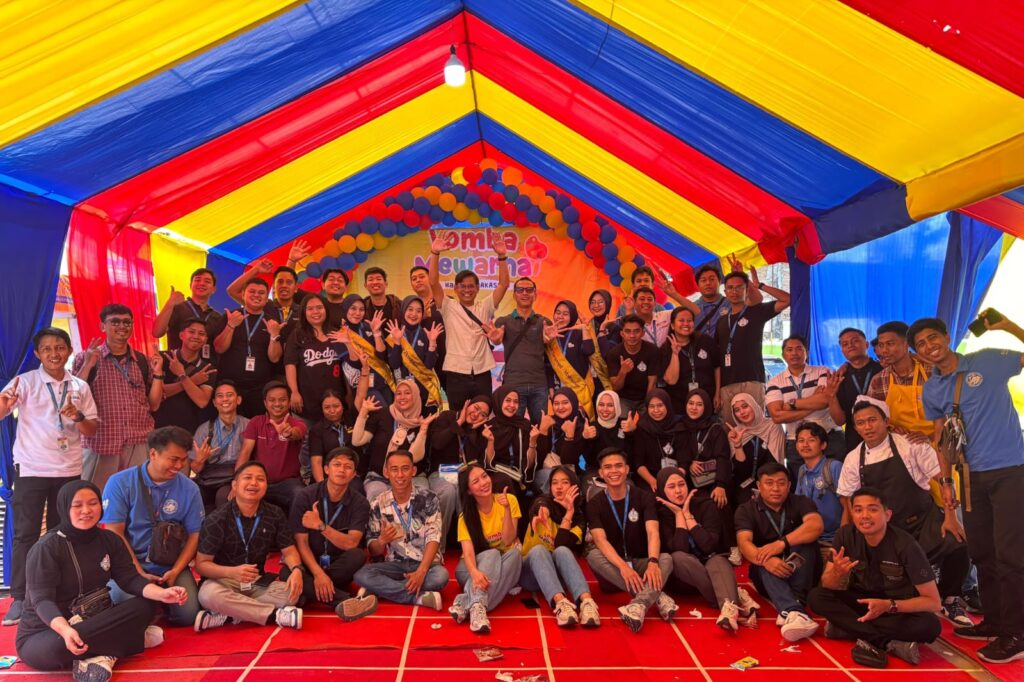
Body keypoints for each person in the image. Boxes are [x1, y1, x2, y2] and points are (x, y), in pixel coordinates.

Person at [914, 314, 1024, 661]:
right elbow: (941, 437)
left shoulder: (988, 360)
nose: (929, 346)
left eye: (933, 338)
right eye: (921, 344)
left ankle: (1016, 634)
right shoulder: (932, 388)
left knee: (1011, 555)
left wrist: (1008, 327)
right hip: (971, 477)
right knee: (983, 553)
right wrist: (946, 482)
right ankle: (994, 621)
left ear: (947, 337)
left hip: (1010, 471)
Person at [15, 481, 186, 680]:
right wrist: (66, 630)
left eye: (93, 503)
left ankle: (106, 649)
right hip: (48, 632)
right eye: (77, 505)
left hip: (93, 619)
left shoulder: (109, 540)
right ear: (64, 508)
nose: (86, 511)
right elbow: (42, 601)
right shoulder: (46, 548)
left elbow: (130, 578)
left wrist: (163, 594)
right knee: (55, 649)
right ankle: (123, 640)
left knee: (147, 604)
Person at [836, 397, 971, 627]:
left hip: (922, 521)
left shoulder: (911, 445)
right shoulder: (853, 458)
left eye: (872, 420)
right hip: (885, 532)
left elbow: (944, 480)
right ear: (855, 428)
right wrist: (845, 537)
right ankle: (902, 603)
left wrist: (951, 518)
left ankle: (950, 598)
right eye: (860, 423)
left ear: (886, 421)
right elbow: (847, 500)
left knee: (958, 541)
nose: (867, 427)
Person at [1, 327, 99, 627]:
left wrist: (77, 417)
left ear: (69, 350)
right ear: (37, 353)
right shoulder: (25, 381)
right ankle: (20, 597)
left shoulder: (80, 386)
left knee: (63, 533)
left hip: (68, 469)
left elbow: (92, 429)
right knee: (25, 533)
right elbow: (2, 411)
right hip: (31, 467)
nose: (54, 353)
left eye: (59, 347)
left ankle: (61, 592)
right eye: (46, 349)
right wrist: (4, 405)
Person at [809, 487, 942, 669]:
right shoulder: (845, 535)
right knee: (816, 597)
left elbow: (933, 603)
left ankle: (847, 628)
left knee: (930, 625)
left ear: (887, 515)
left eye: (872, 509)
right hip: (862, 603)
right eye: (858, 510)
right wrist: (836, 573)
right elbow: (827, 585)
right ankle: (886, 642)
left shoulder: (906, 545)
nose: (865, 516)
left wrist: (889, 605)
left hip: (895, 608)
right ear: (852, 514)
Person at [101, 426, 204, 627]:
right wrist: (137, 571)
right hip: (129, 565)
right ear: (153, 454)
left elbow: (195, 535)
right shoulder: (120, 482)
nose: (179, 465)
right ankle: (151, 601)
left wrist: (176, 570)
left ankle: (160, 599)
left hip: (170, 565)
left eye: (184, 459)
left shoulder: (190, 488)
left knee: (188, 615)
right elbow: (114, 533)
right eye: (173, 459)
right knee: (130, 609)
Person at [193, 461, 304, 632]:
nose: (254, 483)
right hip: (223, 581)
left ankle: (230, 614)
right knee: (207, 595)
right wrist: (232, 572)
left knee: (292, 593)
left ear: (266, 486)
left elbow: (289, 551)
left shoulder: (275, 514)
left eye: (260, 479)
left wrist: (296, 570)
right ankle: (274, 615)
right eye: (248, 478)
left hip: (256, 583)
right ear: (234, 485)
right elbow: (201, 565)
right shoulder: (217, 519)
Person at [654, 467, 758, 633]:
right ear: (661, 490)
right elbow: (680, 548)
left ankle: (729, 612)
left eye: (681, 484)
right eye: (671, 487)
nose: (678, 491)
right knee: (678, 557)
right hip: (684, 579)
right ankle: (733, 596)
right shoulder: (660, 514)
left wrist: (688, 516)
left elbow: (709, 546)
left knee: (717, 560)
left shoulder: (705, 505)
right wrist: (679, 515)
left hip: (712, 568)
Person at [72, 304, 164, 491]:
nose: (122, 326)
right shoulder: (86, 358)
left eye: (127, 322)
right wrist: (88, 365)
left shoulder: (142, 361)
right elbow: (74, 397)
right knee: (97, 498)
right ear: (102, 326)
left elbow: (153, 405)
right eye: (115, 322)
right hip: (102, 442)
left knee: (138, 496)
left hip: (138, 440)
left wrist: (158, 374)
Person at [585, 448, 676, 633]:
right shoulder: (594, 503)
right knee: (593, 555)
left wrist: (653, 562)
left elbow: (653, 532)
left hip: (641, 564)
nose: (614, 471)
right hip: (614, 571)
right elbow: (600, 540)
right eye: (608, 467)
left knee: (665, 558)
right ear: (601, 473)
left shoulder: (644, 497)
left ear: (627, 469)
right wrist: (622, 566)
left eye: (618, 465)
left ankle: (639, 604)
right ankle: (657, 596)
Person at [734, 462, 823, 642]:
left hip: (802, 572)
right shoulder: (746, 510)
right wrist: (766, 560)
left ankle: (790, 610)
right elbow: (744, 543)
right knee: (761, 558)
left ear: (789, 485)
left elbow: (816, 525)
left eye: (781, 483)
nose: (776, 488)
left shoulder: (801, 502)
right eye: (769, 483)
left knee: (806, 542)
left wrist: (781, 544)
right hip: (768, 575)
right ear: (759, 486)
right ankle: (795, 610)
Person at [284, 447, 374, 621]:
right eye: (337, 465)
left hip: (337, 565)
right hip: (310, 563)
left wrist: (321, 526)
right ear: (326, 469)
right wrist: (318, 574)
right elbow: (301, 543)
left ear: (354, 474)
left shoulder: (360, 503)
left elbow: (351, 543)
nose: (341, 470)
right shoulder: (305, 496)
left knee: (357, 556)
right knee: (286, 572)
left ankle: (309, 591)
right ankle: (345, 600)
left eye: (348, 467)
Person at [355, 450, 450, 610]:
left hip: (426, 564)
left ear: (413, 471)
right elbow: (373, 549)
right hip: (396, 564)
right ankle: (418, 597)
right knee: (361, 574)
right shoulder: (377, 504)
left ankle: (382, 589)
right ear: (386, 472)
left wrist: (421, 572)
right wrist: (381, 541)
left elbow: (434, 537)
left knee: (441, 577)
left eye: (405, 469)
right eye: (394, 469)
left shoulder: (429, 498)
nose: (400, 475)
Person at [429, 231, 509, 410]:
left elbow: (504, 284)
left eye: (471, 286)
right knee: (458, 418)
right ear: (456, 289)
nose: (467, 290)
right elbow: (433, 283)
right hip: (455, 373)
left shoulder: (485, 306)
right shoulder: (448, 306)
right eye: (463, 286)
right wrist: (435, 253)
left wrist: (502, 256)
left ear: (478, 288)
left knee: (483, 415)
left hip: (482, 372)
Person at [520, 466, 601, 627]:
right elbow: (540, 504)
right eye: (554, 483)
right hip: (530, 575)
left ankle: (586, 602)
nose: (559, 487)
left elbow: (560, 544)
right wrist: (541, 511)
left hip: (558, 577)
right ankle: (561, 604)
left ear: (574, 486)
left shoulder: (579, 519)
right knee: (539, 550)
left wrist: (569, 512)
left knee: (562, 550)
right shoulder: (543, 502)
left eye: (565, 482)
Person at [449, 463, 524, 634]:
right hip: (469, 569)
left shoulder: (509, 500)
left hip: (498, 566)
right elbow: (468, 553)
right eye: (476, 481)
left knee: (515, 555)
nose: (483, 482)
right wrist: (475, 572)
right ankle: (477, 606)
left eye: (484, 476)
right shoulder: (465, 517)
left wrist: (506, 509)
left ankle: (467, 604)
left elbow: (508, 540)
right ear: (469, 490)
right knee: (492, 553)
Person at [716, 269, 790, 423]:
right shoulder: (722, 321)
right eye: (730, 288)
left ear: (746, 289)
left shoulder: (756, 311)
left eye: (739, 287)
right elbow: (717, 358)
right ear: (725, 292)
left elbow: (787, 299)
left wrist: (760, 285)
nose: (734, 291)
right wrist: (717, 391)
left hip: (752, 380)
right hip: (727, 383)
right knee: (730, 429)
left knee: (756, 426)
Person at [765, 335, 843, 475]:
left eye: (799, 349)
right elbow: (777, 416)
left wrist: (792, 405)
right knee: (800, 483)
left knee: (835, 480)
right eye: (789, 350)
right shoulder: (774, 382)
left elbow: (825, 400)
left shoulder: (822, 371)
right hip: (796, 442)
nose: (794, 353)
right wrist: (813, 402)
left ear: (806, 352)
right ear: (783, 355)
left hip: (829, 436)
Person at [724, 392, 785, 566]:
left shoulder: (772, 427)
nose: (741, 412)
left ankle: (772, 546)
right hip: (745, 482)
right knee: (731, 497)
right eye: (737, 410)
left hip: (770, 480)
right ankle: (737, 545)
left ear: (754, 406)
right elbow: (740, 472)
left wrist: (761, 487)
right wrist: (737, 445)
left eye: (745, 406)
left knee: (765, 495)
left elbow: (775, 464)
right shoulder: (735, 432)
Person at [354, 379, 438, 502]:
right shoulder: (382, 414)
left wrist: (423, 430)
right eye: (398, 393)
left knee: (421, 498)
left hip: (413, 478)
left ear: (415, 395)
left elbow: (414, 457)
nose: (402, 397)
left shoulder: (423, 419)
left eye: (407, 393)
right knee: (377, 495)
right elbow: (357, 441)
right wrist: (363, 412)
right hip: (380, 478)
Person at [488, 277, 558, 423]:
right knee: (512, 427)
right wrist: (495, 340)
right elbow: (497, 339)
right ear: (514, 295)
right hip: (513, 384)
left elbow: (548, 344)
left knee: (540, 428)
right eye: (520, 290)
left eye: (529, 290)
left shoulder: (544, 322)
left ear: (535, 294)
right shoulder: (503, 321)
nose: (525, 293)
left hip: (539, 385)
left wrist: (549, 340)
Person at [212, 278, 284, 417]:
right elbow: (219, 348)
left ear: (266, 298)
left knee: (255, 426)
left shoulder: (272, 322)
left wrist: (274, 336)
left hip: (259, 388)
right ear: (243, 294)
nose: (256, 295)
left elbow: (275, 358)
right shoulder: (231, 316)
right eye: (252, 291)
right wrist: (230, 326)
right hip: (230, 386)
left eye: (261, 293)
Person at [236, 381, 308, 512]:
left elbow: (297, 433)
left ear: (289, 402)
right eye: (272, 400)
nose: (277, 404)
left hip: (288, 482)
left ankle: (294, 526)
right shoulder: (255, 422)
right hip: (259, 481)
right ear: (265, 403)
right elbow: (245, 453)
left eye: (282, 400)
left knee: (300, 493)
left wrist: (289, 433)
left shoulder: (298, 423)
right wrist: (237, 481)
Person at [867, 321, 933, 443]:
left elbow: (951, 411)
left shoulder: (932, 372)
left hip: (938, 444)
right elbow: (872, 416)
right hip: (900, 445)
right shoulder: (878, 380)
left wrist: (933, 436)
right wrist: (890, 429)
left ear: (906, 343)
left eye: (890, 344)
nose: (884, 350)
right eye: (881, 345)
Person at [191, 380, 250, 512]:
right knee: (192, 492)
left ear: (238, 400)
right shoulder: (204, 429)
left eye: (229, 395)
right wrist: (199, 460)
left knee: (223, 495)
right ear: (214, 402)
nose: (225, 399)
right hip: (209, 477)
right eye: (220, 396)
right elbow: (195, 469)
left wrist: (238, 480)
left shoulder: (249, 425)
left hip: (236, 475)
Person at [284, 295, 342, 423]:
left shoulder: (336, 333)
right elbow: (290, 364)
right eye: (310, 309)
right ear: (304, 312)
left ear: (326, 309)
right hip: (307, 401)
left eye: (319, 307)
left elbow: (346, 366)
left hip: (335, 401)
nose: (315, 312)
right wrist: (294, 392)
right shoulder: (297, 335)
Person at [153, 318, 216, 434]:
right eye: (191, 332)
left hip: (189, 430)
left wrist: (182, 376)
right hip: (159, 428)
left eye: (201, 334)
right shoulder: (163, 358)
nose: (196, 336)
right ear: (181, 335)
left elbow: (202, 401)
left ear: (206, 340)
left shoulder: (207, 368)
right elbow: (159, 395)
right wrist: (193, 381)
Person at [828, 327, 883, 452]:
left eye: (855, 341)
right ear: (842, 350)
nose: (850, 346)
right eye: (845, 344)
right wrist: (831, 396)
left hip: (885, 434)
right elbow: (839, 421)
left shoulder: (883, 369)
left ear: (866, 344)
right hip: (854, 439)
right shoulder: (839, 377)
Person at [386, 295, 444, 410]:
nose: (414, 314)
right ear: (403, 310)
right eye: (410, 309)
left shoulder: (426, 335)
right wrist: (397, 342)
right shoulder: (394, 334)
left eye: (418, 311)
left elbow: (429, 365)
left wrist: (432, 342)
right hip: (402, 391)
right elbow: (394, 364)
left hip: (423, 390)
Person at [792, 422, 844, 549]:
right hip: (810, 536)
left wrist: (843, 537)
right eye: (801, 441)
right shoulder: (802, 470)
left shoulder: (833, 467)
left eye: (811, 440)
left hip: (834, 538)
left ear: (823, 445)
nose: (805, 444)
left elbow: (848, 505)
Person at [151, 267, 222, 356]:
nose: (202, 283)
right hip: (176, 362)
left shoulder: (217, 317)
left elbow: (220, 347)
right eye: (197, 280)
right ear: (190, 285)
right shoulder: (178, 307)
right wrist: (170, 303)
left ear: (213, 289)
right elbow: (157, 332)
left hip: (206, 364)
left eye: (207, 281)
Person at [662, 306, 720, 414]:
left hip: (707, 400)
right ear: (673, 325)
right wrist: (675, 354)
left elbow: (717, 367)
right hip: (680, 405)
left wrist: (718, 393)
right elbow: (671, 380)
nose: (686, 324)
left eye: (689, 321)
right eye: (681, 320)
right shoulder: (665, 349)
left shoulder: (705, 341)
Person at [546, 299, 597, 419]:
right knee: (561, 422)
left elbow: (589, 350)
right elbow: (547, 366)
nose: (560, 317)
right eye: (558, 313)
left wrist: (584, 328)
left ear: (572, 316)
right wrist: (551, 388)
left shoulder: (578, 333)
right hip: (559, 389)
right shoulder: (550, 336)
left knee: (581, 422)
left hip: (580, 388)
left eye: (565, 314)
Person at [484, 386, 537, 493]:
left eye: (516, 401)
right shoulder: (489, 427)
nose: (512, 405)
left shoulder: (524, 425)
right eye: (508, 400)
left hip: (518, 478)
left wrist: (533, 442)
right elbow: (489, 464)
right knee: (503, 481)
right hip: (497, 478)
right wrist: (490, 441)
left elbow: (529, 465)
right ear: (498, 401)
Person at [533, 387, 587, 493]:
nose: (560, 407)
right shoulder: (548, 422)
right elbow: (538, 461)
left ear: (573, 403)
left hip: (572, 474)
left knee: (562, 480)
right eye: (556, 403)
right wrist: (543, 432)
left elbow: (569, 463)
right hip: (546, 472)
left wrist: (569, 437)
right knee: (551, 477)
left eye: (565, 403)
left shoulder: (581, 426)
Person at [605, 314, 659, 415]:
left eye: (636, 331)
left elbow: (652, 383)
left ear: (643, 333)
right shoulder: (613, 353)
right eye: (627, 331)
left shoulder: (652, 350)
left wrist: (649, 405)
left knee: (651, 417)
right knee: (621, 419)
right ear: (622, 333)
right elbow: (616, 387)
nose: (632, 336)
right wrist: (623, 371)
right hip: (623, 398)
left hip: (645, 397)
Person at [631, 389, 680, 491]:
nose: (656, 410)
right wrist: (653, 481)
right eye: (652, 406)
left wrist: (675, 481)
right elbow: (638, 463)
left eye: (660, 405)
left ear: (667, 405)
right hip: (649, 477)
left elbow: (684, 461)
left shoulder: (679, 426)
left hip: (676, 476)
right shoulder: (642, 427)